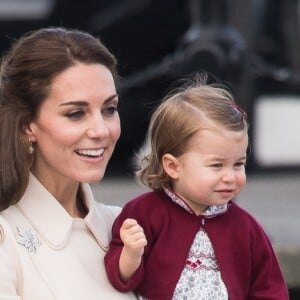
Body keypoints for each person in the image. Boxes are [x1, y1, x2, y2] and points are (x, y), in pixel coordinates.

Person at [104, 74, 289, 300]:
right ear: (173, 166)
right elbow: (119, 279)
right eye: (216, 165)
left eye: (238, 164)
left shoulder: (246, 227)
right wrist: (131, 254)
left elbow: (269, 288)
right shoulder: (144, 214)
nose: (230, 176)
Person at [0, 27, 138, 299]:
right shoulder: (6, 239)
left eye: (109, 109)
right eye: (76, 114)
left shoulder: (125, 225)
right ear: (28, 126)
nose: (100, 130)